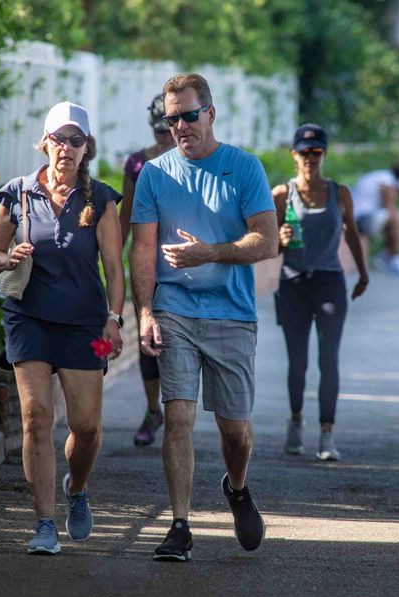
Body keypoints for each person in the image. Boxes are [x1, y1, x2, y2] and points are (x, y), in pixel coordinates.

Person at [130, 73, 278, 561]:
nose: (180, 126)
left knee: (235, 431)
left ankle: (236, 487)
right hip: (174, 308)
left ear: (210, 114)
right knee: (178, 415)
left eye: (189, 116)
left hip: (232, 313)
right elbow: (142, 249)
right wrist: (145, 312)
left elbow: (266, 241)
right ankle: (180, 525)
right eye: (171, 119)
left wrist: (211, 252)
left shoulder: (243, 167)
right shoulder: (155, 174)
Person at [0, 101, 125, 554]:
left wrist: (114, 319)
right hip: (29, 318)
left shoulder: (101, 199)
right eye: (59, 139)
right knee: (36, 416)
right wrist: (9, 258)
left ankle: (77, 488)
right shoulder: (19, 193)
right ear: (45, 143)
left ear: (87, 148)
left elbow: (114, 269)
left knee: (86, 428)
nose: (66, 147)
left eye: (75, 140)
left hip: (86, 324)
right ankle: (44, 523)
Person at [273, 124, 369, 461]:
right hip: (293, 283)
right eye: (304, 152)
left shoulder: (339, 193)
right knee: (297, 362)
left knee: (329, 359)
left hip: (329, 282)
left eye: (316, 152)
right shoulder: (281, 195)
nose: (310, 158)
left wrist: (363, 273)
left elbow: (352, 233)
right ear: (294, 154)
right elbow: (266, 246)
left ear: (324, 154)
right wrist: (280, 240)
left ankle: (327, 434)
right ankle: (296, 421)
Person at [119, 93, 176, 447]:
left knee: (180, 339)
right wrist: (111, 260)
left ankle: (178, 411)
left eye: (168, 130)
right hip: (146, 263)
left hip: (181, 263)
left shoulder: (191, 160)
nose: (164, 137)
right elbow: (125, 216)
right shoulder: (137, 164)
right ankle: (154, 409)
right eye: (158, 131)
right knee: (148, 338)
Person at [352, 165, 399, 277]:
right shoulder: (387, 180)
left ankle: (387, 254)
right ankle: (393, 257)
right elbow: (389, 208)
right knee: (397, 216)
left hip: (360, 218)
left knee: (395, 216)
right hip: (359, 220)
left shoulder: (381, 176)